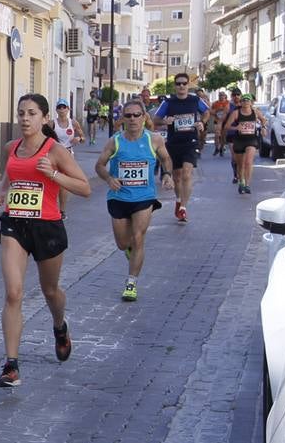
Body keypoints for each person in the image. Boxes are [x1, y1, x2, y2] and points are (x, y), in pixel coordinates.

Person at [0, 94, 92, 388]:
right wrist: (3, 192)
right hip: (15, 225)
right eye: (20, 113)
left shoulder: (56, 151)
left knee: (50, 291)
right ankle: (11, 365)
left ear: (44, 118)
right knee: (13, 293)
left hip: (47, 226)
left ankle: (59, 326)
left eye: (31, 113)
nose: (25, 118)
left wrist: (55, 175)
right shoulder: (11, 147)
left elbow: (85, 188)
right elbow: (11, 175)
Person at [96, 99, 174, 301]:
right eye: (128, 115)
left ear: (143, 117)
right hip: (118, 197)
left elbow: (166, 158)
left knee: (138, 237)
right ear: (123, 118)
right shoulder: (115, 141)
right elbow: (99, 165)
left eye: (136, 115)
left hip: (144, 197)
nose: (132, 119)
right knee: (123, 244)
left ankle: (131, 283)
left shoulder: (154, 139)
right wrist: (109, 178)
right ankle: (129, 250)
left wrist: (167, 175)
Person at [152, 72, 208, 223]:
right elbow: (155, 119)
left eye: (184, 83)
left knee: (187, 174)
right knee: (176, 177)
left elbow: (207, 112)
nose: (181, 86)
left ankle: (183, 207)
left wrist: (202, 121)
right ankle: (178, 200)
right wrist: (165, 121)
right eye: (178, 84)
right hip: (174, 143)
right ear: (175, 86)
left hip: (190, 141)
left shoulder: (195, 100)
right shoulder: (168, 102)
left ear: (188, 84)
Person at [222, 93, 267, 195]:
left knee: (248, 162)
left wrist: (264, 128)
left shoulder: (255, 112)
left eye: (248, 100)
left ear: (251, 102)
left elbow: (263, 120)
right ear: (241, 102)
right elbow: (226, 126)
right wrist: (236, 128)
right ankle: (241, 182)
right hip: (239, 140)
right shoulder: (236, 113)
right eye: (243, 100)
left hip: (251, 139)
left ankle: (247, 185)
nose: (246, 102)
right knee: (240, 164)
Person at [51, 99, 86, 217]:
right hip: (54, 154)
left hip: (68, 155)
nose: (62, 110)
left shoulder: (73, 123)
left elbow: (83, 137)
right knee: (52, 180)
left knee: (63, 183)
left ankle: (62, 210)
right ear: (56, 109)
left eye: (64, 107)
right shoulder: (52, 123)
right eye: (59, 107)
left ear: (68, 109)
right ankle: (52, 207)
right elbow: (43, 135)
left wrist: (79, 139)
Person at [207, 90, 231, 156]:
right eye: (220, 95)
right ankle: (217, 148)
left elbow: (230, 112)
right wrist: (218, 110)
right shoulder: (215, 103)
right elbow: (210, 111)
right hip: (217, 121)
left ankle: (222, 148)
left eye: (222, 95)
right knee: (217, 135)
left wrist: (224, 110)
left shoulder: (228, 103)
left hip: (225, 121)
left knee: (223, 136)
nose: (221, 97)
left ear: (225, 96)